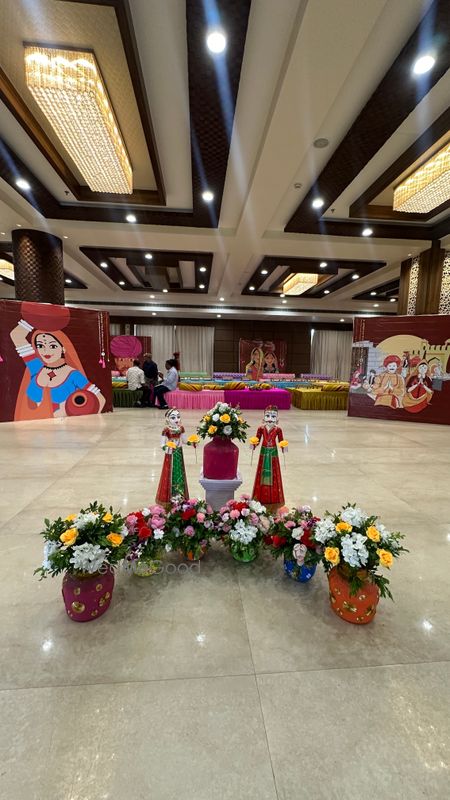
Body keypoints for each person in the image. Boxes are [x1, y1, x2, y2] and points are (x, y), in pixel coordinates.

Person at [10, 317, 105, 420]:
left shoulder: (74, 375)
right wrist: (35, 318)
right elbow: (16, 336)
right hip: (33, 426)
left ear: (63, 348)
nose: (46, 351)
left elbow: (100, 400)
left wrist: (83, 422)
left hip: (61, 427)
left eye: (52, 346)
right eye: (40, 346)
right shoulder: (36, 367)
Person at [251, 405, 285, 511]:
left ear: (277, 419)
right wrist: (253, 444)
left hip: (273, 455)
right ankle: (260, 498)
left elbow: (281, 441)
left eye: (273, 416)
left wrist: (284, 447)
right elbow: (257, 439)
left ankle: (274, 500)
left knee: (274, 475)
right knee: (262, 474)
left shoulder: (278, 429)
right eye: (267, 416)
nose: (270, 419)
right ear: (263, 418)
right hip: (263, 453)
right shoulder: (261, 429)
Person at [155, 407, 189, 507]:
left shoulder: (181, 428)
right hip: (170, 454)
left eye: (178, 417)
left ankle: (179, 494)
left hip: (179, 453)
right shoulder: (166, 430)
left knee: (179, 472)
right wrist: (167, 447)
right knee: (170, 473)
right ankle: (170, 496)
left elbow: (185, 441)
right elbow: (162, 444)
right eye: (173, 417)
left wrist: (192, 442)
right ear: (167, 419)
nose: (176, 419)